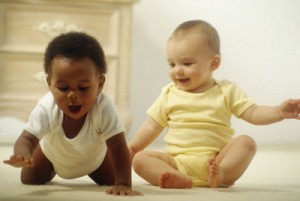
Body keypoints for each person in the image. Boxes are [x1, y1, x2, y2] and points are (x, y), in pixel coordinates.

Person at [128, 20, 300, 189]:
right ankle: (174, 177)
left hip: (217, 161)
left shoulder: (226, 90)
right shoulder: (169, 93)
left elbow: (253, 113)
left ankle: (223, 175)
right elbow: (151, 126)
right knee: (140, 160)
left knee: (246, 143)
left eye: (187, 63)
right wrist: (132, 148)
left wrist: (279, 112)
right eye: (172, 64)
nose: (177, 70)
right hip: (176, 162)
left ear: (214, 63)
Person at [3, 32, 141, 196]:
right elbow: (26, 139)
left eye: (83, 88)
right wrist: (22, 154)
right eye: (63, 88)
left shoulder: (104, 107)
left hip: (94, 160)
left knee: (113, 179)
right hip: (51, 156)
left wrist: (124, 183)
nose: (72, 95)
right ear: (49, 83)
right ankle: (48, 163)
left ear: (100, 84)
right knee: (28, 178)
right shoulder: (47, 107)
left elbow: (118, 148)